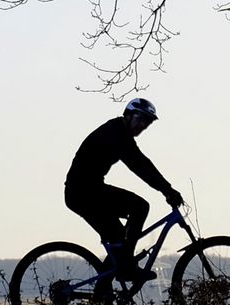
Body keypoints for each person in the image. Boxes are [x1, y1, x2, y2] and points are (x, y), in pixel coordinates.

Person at [65, 98, 183, 282]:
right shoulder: (116, 133)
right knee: (137, 210)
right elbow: (140, 164)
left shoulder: (120, 132)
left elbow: (141, 163)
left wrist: (166, 189)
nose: (143, 125)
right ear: (128, 115)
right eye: (141, 119)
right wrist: (167, 190)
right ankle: (127, 268)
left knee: (120, 240)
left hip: (89, 190)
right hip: (83, 193)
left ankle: (108, 287)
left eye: (147, 123)